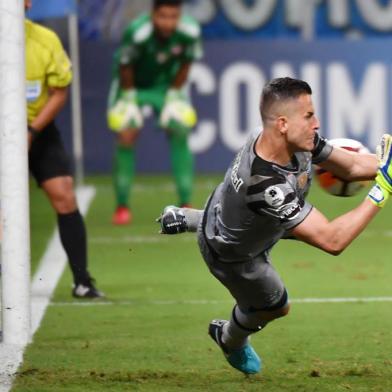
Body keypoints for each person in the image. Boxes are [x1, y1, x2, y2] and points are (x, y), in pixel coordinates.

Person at [157, 77, 392, 374]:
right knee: (276, 307)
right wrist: (382, 189)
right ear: (282, 123)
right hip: (235, 254)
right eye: (309, 116)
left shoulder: (281, 139)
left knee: (266, 219)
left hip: (241, 214)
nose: (317, 123)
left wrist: (385, 166)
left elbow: (354, 166)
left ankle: (193, 218)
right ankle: (229, 338)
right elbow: (333, 240)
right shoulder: (266, 185)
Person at [25, 0, 103, 298]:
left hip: (39, 132)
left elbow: (59, 93)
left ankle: (82, 281)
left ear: (28, 4)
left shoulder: (45, 41)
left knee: (65, 195)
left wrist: (31, 131)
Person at [107, 0, 203, 225]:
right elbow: (125, 64)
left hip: (166, 87)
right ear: (153, 15)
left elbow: (186, 63)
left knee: (180, 129)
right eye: (163, 16)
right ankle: (122, 205)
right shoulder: (137, 32)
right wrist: (129, 98)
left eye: (173, 16)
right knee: (127, 134)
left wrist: (173, 94)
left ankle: (186, 202)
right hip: (131, 86)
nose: (168, 23)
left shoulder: (190, 31)